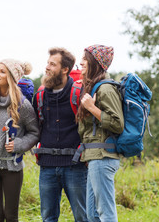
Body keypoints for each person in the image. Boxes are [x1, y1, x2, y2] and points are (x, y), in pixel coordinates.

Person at [0, 59, 39, 222]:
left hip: (12, 167)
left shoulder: (22, 105)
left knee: (11, 216)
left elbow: (34, 132)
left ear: (12, 77)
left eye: (2, 71)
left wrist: (19, 144)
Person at [33, 48, 88, 222]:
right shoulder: (40, 95)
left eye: (52, 64)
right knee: (48, 217)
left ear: (65, 69)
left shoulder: (80, 93)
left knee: (82, 216)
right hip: (47, 166)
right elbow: (35, 128)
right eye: (47, 63)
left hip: (75, 165)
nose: (47, 67)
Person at [77, 45, 124, 222]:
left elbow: (117, 124)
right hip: (94, 157)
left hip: (103, 157)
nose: (80, 62)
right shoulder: (94, 88)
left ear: (95, 63)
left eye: (85, 58)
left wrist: (91, 108)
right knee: (93, 214)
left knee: (106, 213)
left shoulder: (106, 89)